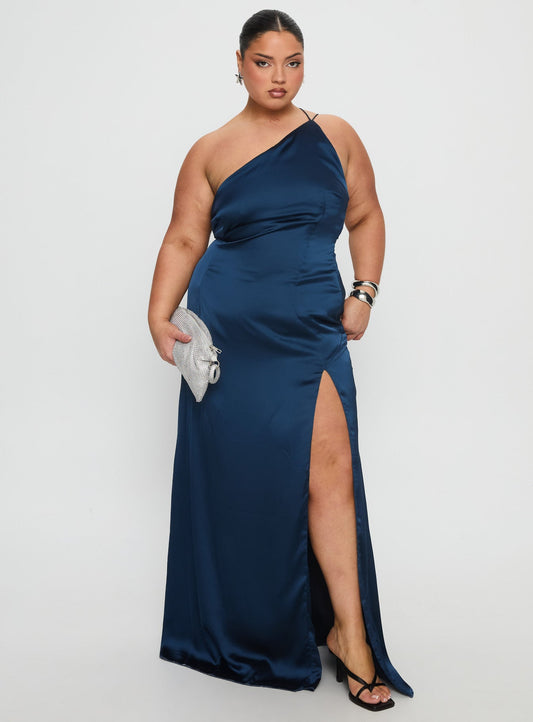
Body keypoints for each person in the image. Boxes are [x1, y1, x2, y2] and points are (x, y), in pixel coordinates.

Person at [148, 8, 414, 711]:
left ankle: (350, 636)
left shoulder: (335, 135)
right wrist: (157, 314)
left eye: (292, 62)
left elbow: (367, 215)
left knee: (330, 475)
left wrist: (364, 292)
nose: (279, 77)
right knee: (246, 483)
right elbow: (184, 238)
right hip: (233, 330)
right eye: (264, 62)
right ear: (238, 64)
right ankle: (251, 626)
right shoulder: (210, 149)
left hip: (311, 329)